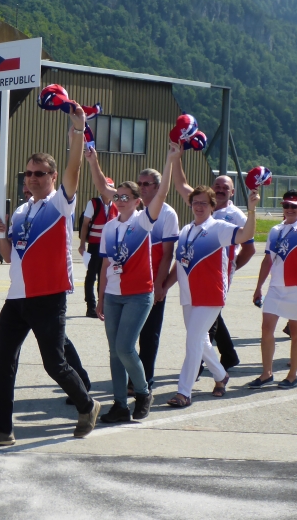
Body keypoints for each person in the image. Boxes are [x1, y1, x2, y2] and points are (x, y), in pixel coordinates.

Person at [0, 102, 101, 448]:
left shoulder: (60, 203)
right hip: (16, 298)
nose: (32, 178)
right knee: (3, 365)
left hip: (48, 296)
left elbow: (74, 167)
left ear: (53, 177)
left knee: (54, 364)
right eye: (29, 173)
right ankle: (3, 430)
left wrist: (78, 130)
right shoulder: (20, 211)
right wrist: (1, 234)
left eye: (40, 173)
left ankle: (87, 405)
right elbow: (8, 256)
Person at [85, 143, 178, 422]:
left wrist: (170, 160)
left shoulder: (144, 221)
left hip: (139, 294)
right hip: (113, 296)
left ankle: (143, 392)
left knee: (125, 347)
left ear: (138, 201)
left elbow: (162, 193)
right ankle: (120, 405)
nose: (121, 200)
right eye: (118, 196)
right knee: (114, 352)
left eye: (127, 196)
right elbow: (105, 265)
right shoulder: (110, 227)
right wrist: (101, 297)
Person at [162, 184, 259, 406]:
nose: (199, 207)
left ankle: (184, 392)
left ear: (212, 206)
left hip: (210, 294)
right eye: (195, 202)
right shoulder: (186, 230)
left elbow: (246, 235)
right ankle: (221, 375)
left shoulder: (219, 228)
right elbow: (180, 263)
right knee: (201, 340)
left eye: (204, 203)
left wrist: (252, 210)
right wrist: (165, 286)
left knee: (193, 340)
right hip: (189, 294)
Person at [171, 166, 255, 370]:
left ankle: (197, 364)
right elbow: (181, 185)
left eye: (225, 187)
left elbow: (249, 247)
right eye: (217, 185)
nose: (220, 189)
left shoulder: (235, 215)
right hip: (196, 272)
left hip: (218, 274)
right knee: (208, 317)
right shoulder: (202, 205)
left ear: (232, 192)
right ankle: (227, 356)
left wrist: (232, 266)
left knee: (206, 321)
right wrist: (176, 158)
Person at [250, 170, 297, 390]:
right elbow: (267, 261)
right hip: (276, 287)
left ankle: (292, 375)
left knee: (296, 332)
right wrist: (258, 287)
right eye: (286, 205)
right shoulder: (275, 230)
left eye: (294, 206)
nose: (290, 209)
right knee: (266, 329)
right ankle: (267, 373)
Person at [78, 179, 118, 318]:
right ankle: (91, 307)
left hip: (109, 246)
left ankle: (103, 306)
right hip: (95, 245)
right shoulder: (93, 203)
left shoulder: (116, 205)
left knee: (104, 276)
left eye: (111, 187)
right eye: (106, 187)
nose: (108, 190)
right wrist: (82, 244)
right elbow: (85, 224)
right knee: (91, 275)